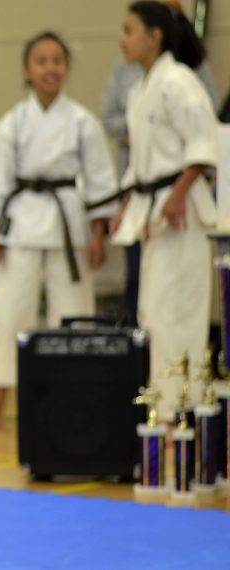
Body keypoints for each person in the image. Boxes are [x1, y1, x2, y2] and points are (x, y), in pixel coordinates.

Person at [0, 31, 118, 431]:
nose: (51, 68)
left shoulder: (83, 122)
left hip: (69, 226)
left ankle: (79, 399)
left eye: (57, 61)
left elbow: (100, 180)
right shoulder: (12, 123)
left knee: (75, 315)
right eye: (42, 61)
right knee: (10, 316)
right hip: (22, 225)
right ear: (28, 70)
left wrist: (99, 234)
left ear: (66, 68)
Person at [111, 1, 218, 421]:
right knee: (152, 313)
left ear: (155, 36)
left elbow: (204, 146)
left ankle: (184, 412)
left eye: (129, 30)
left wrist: (178, 193)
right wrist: (126, 206)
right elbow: (140, 169)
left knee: (179, 312)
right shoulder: (140, 89)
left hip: (182, 212)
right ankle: (162, 411)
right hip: (154, 209)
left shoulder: (179, 80)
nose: (122, 39)